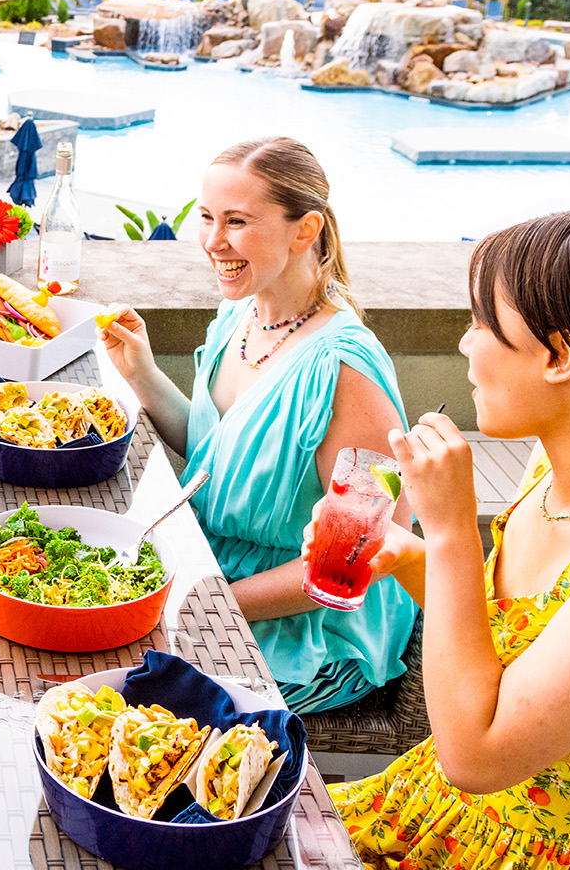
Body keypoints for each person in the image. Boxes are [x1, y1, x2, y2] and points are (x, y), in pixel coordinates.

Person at [327, 209, 570, 868]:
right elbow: (507, 640)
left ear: (563, 355)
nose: (466, 345)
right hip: (426, 814)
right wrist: (403, 554)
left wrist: (453, 528)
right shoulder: (549, 471)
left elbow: (475, 757)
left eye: (483, 324)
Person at [99, 136, 416, 713]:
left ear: (305, 230)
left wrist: (206, 603)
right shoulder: (239, 318)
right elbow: (215, 457)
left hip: (305, 632)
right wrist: (141, 374)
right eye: (206, 218)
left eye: (237, 221)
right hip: (203, 576)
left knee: (100, 688)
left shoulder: (349, 373)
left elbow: (349, 566)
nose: (213, 242)